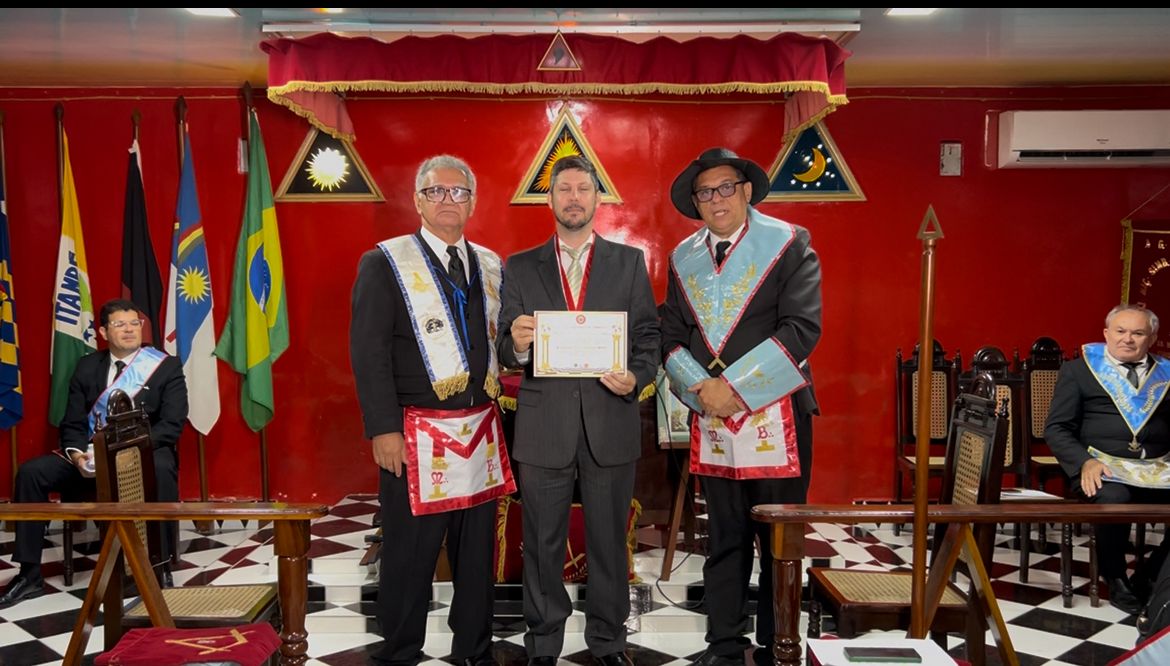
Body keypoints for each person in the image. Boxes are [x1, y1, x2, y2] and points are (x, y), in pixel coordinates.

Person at [660, 148, 821, 666]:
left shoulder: (789, 243)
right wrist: (701, 389)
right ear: (695, 202)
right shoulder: (682, 257)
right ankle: (723, 644)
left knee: (777, 541)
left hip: (777, 415)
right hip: (712, 416)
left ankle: (779, 646)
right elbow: (669, 333)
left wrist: (734, 388)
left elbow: (801, 328)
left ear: (747, 190)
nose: (716, 199)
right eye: (705, 192)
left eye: (726, 187)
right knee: (724, 538)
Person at [351, 155, 513, 666]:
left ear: (473, 201)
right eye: (436, 191)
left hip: (479, 433)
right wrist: (382, 428)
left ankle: (475, 650)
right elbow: (368, 350)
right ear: (417, 200)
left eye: (459, 192)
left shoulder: (490, 264)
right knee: (408, 556)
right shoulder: (385, 262)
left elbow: (498, 347)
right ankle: (400, 651)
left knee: (476, 557)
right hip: (413, 434)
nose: (449, 201)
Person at [497, 155, 660, 666]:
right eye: (563, 188)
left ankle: (608, 641)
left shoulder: (627, 262)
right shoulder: (520, 266)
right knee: (542, 544)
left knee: (610, 542)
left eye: (582, 188)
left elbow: (649, 337)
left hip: (609, 420)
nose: (573, 197)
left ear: (597, 198)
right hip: (544, 425)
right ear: (550, 200)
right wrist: (519, 345)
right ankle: (542, 642)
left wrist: (637, 375)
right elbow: (504, 347)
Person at [0, 298, 187, 608]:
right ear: (103, 332)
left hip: (143, 456)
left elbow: (171, 425)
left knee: (163, 467)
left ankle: (160, 566)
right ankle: (29, 573)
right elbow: (72, 422)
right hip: (91, 459)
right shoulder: (87, 366)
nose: (129, 330)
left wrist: (122, 452)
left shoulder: (165, 366)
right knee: (32, 473)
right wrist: (78, 457)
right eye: (120, 324)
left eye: (134, 324)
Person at [1045, 304, 1170, 614]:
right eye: (1121, 331)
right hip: (1101, 465)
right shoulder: (1079, 370)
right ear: (1106, 334)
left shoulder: (1166, 373)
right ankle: (1115, 578)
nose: (1128, 339)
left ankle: (1152, 576)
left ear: (1151, 338)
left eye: (1138, 333)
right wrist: (1083, 461)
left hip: (1158, 466)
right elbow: (1057, 428)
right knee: (1116, 497)